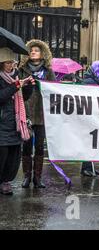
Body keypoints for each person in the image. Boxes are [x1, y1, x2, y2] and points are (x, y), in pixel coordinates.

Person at [19, 40, 56, 189]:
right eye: (31, 50)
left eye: (36, 50)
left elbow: (54, 92)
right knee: (27, 146)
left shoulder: (48, 71)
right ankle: (27, 176)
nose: (33, 52)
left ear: (43, 54)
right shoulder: (22, 70)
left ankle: (38, 178)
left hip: (42, 114)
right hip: (26, 112)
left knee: (40, 146)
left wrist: (51, 107)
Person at [0, 48, 34, 195]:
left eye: (12, 62)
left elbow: (23, 97)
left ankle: (6, 181)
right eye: (7, 63)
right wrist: (15, 86)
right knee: (2, 154)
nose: (11, 65)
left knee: (14, 155)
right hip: (2, 123)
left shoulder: (16, 76)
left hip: (16, 123)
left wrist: (29, 87)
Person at [80, 61, 99, 177]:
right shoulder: (89, 82)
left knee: (92, 142)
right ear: (96, 69)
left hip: (96, 115)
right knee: (88, 142)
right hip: (89, 116)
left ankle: (90, 166)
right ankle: (86, 167)